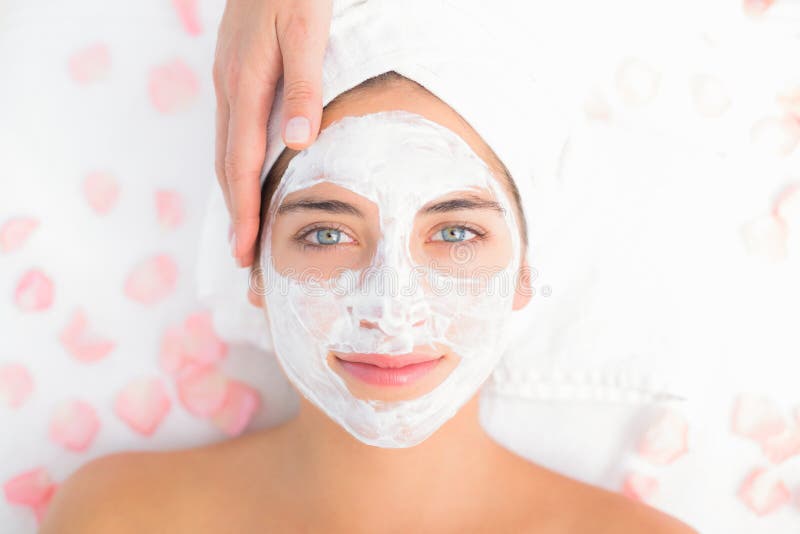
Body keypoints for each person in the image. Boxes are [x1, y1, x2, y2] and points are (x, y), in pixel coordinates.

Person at [39, 67, 697, 533]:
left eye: (456, 231)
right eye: (326, 233)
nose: (390, 308)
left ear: (523, 274)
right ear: (258, 273)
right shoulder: (117, 517)